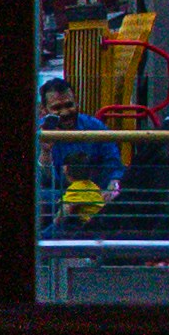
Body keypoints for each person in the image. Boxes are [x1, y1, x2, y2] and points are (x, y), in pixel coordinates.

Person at [41, 71, 127, 231]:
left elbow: (114, 165)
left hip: (94, 198)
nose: (65, 112)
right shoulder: (39, 131)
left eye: (69, 105)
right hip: (55, 200)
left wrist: (112, 186)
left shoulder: (95, 127)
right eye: (57, 108)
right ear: (44, 110)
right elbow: (43, 179)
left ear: (77, 103)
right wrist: (45, 152)